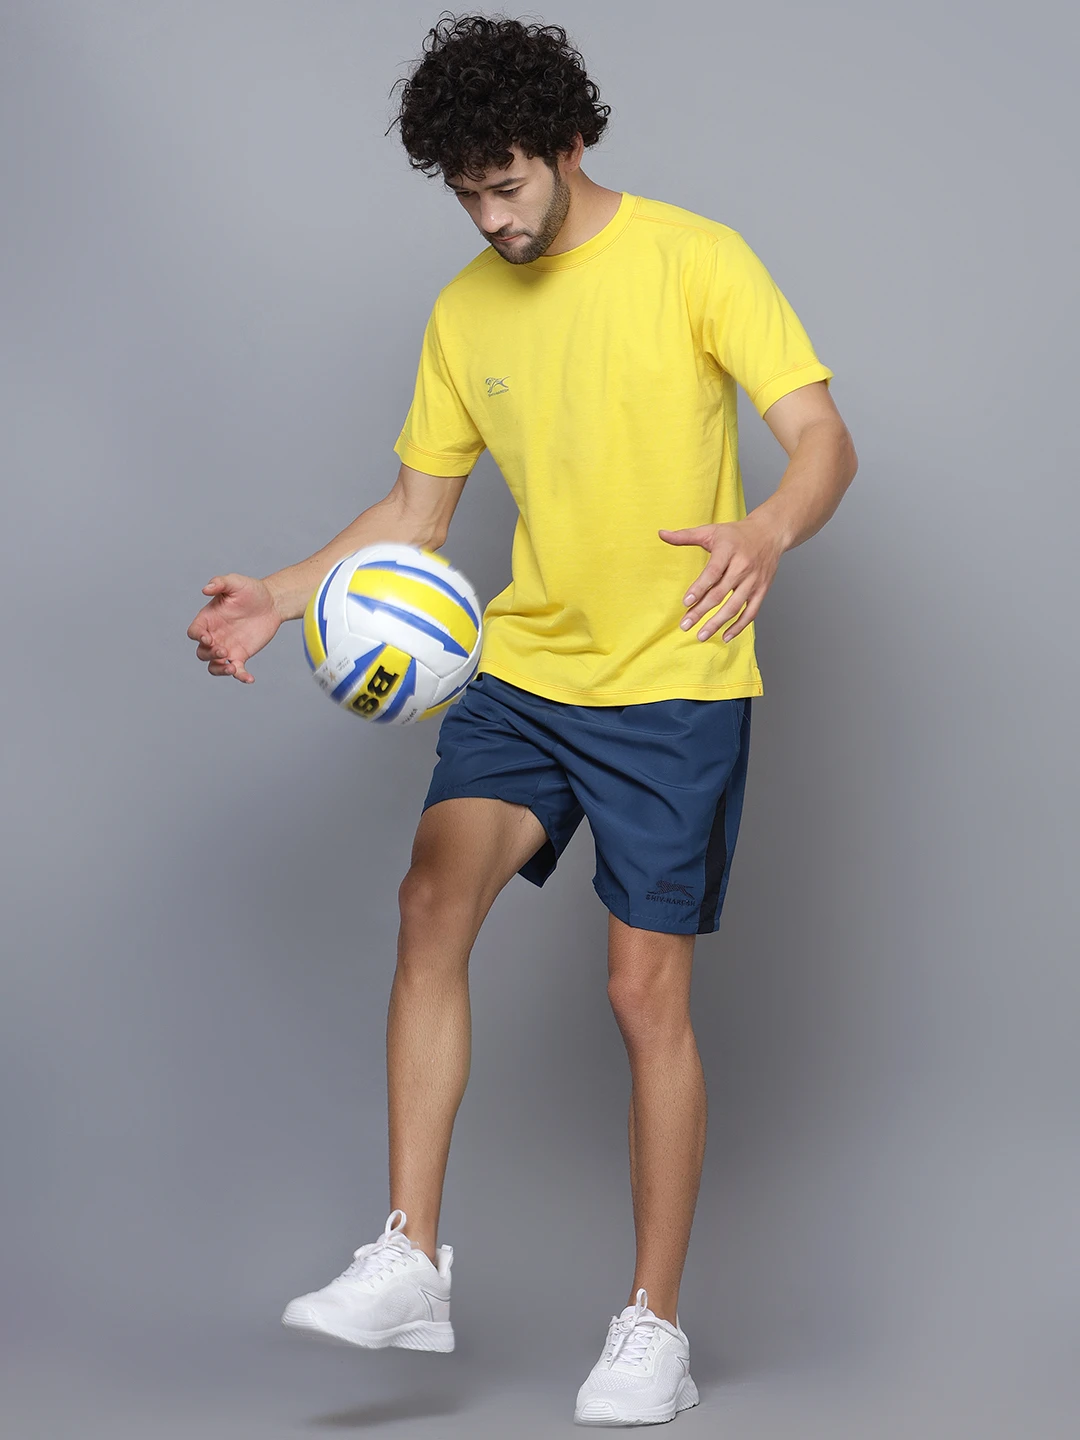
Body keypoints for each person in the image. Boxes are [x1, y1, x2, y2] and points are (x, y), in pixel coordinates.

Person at [186, 13, 857, 1427]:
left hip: (674, 683)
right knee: (430, 902)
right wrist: (281, 602)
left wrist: (767, 529)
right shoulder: (463, 313)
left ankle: (652, 1329)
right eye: (465, 194)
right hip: (528, 672)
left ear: (569, 142)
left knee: (641, 997)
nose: (491, 217)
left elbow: (821, 438)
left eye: (507, 184)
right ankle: (412, 1260)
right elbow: (415, 514)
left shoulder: (696, 258)